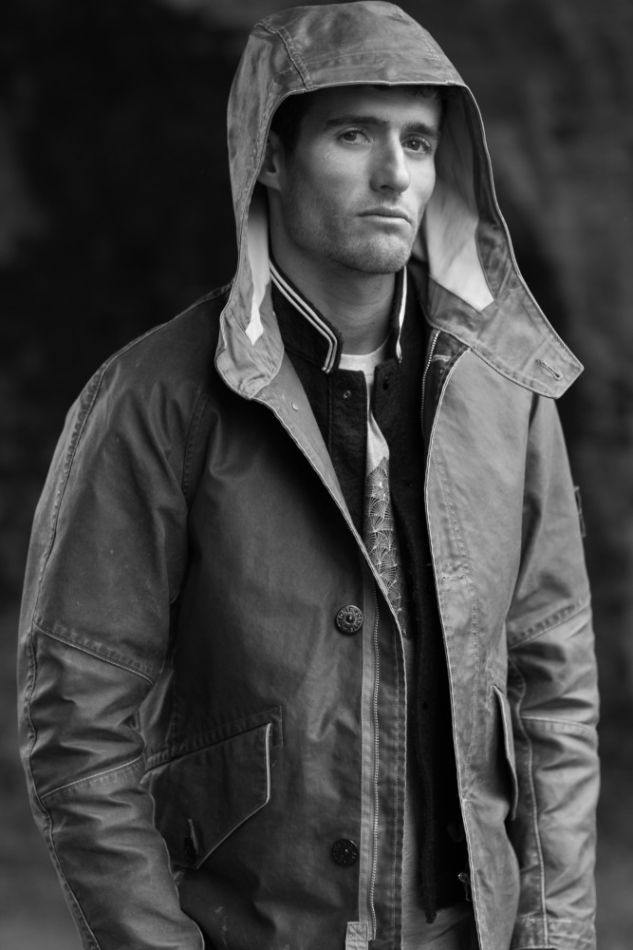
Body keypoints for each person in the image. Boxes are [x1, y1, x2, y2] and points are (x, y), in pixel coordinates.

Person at [17, 3, 599, 949]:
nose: (394, 173)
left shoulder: (509, 397)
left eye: (418, 141)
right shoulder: (154, 397)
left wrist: (556, 935)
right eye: (353, 135)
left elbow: (553, 691)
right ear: (273, 160)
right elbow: (78, 719)